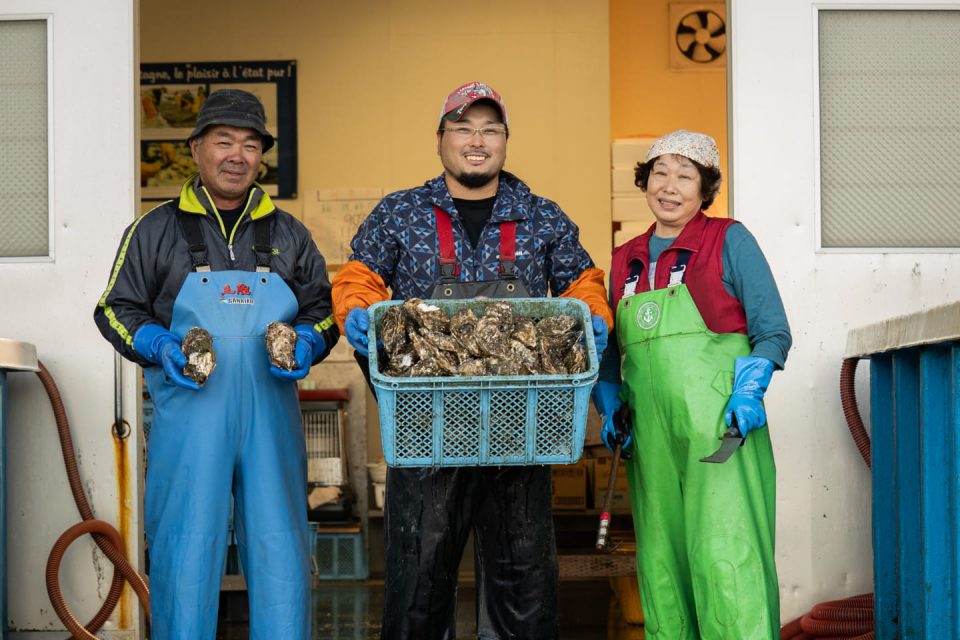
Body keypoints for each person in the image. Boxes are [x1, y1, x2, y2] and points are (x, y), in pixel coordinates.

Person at [331, 81, 614, 640]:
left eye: (490, 129)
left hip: (522, 428)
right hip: (424, 430)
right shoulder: (400, 212)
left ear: (506, 141)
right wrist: (355, 311)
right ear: (441, 140)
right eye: (463, 128)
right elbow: (359, 275)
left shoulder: (541, 216)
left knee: (523, 581)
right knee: (419, 580)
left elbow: (583, 281)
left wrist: (594, 318)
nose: (476, 140)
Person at [94, 88, 338, 640]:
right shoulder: (153, 231)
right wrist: (157, 344)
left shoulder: (290, 235)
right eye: (224, 141)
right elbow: (114, 308)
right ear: (196, 148)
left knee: (280, 549)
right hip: (190, 418)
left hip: (270, 418)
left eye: (251, 145)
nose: (237, 155)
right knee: (185, 547)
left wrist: (305, 342)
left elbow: (324, 314)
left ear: (262, 158)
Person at [592, 130, 791, 639]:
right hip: (650, 438)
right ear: (645, 181)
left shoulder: (729, 240)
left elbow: (772, 330)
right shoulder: (623, 258)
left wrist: (750, 389)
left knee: (727, 551)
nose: (670, 186)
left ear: (705, 188)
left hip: (720, 430)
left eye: (686, 175)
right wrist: (608, 395)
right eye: (660, 172)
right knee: (661, 557)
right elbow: (611, 347)